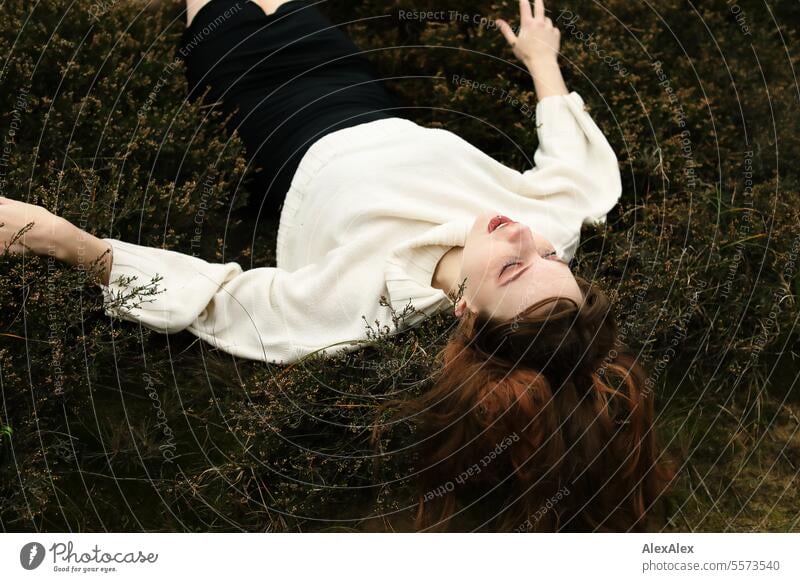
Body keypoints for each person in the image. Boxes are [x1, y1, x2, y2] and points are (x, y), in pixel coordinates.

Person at [0, 0, 675, 531]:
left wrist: (62, 239)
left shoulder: (360, 304)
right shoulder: (541, 229)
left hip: (269, 118)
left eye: (512, 267)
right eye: (554, 255)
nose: (524, 236)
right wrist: (540, 57)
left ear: (466, 313)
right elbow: (578, 174)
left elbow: (216, 301)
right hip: (356, 85)